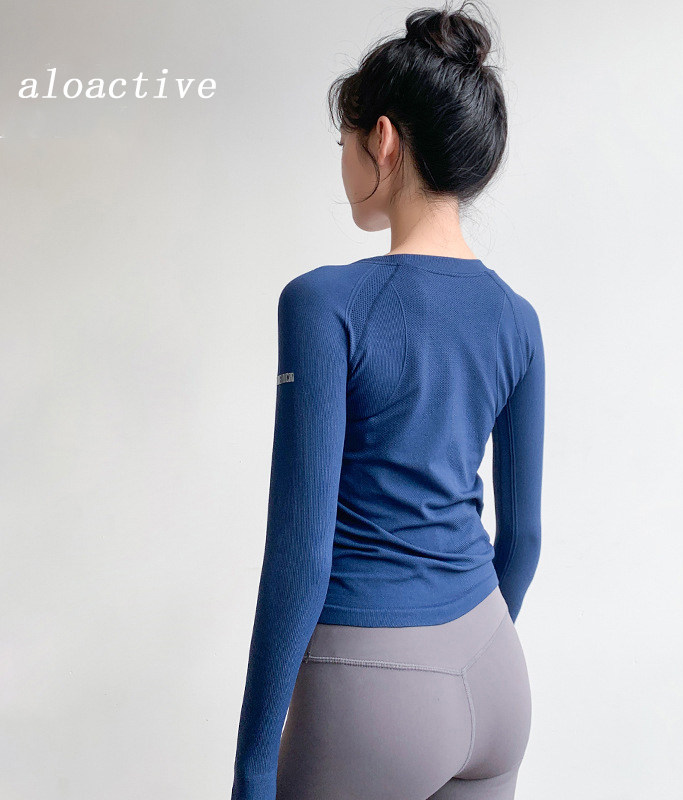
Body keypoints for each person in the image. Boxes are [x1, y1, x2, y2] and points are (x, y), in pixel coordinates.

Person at [230, 2, 545, 798]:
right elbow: (524, 537)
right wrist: (462, 651)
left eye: (343, 141)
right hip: (495, 673)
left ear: (382, 140)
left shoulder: (324, 304)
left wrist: (252, 770)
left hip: (372, 690)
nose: (342, 162)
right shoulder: (517, 319)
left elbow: (299, 557)